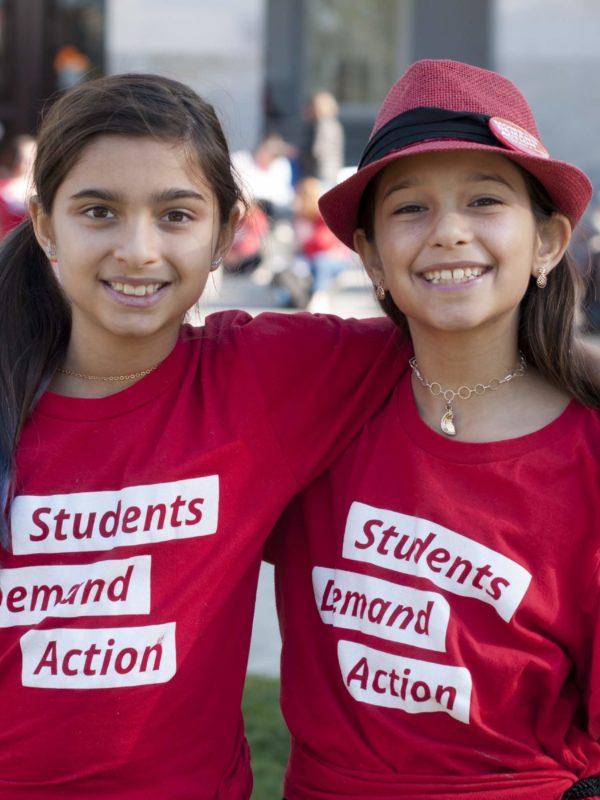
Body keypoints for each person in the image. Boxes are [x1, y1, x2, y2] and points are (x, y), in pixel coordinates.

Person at [0, 72, 413, 799]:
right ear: (43, 224)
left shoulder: (265, 378)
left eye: (176, 215)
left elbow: (459, 333)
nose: (137, 249)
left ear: (227, 231)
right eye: (97, 211)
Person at [269, 59, 600, 800]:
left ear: (547, 242)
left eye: (485, 200)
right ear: (371, 257)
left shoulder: (589, 452)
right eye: (410, 209)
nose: (449, 233)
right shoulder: (310, 401)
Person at [299, 91, 345, 187]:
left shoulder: (323, 125)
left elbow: (318, 151)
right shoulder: (335, 124)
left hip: (320, 173)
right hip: (331, 172)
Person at [0, 134, 36, 237]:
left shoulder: (44, 189)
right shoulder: (3, 189)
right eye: (26, 158)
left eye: (34, 157)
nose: (30, 163)